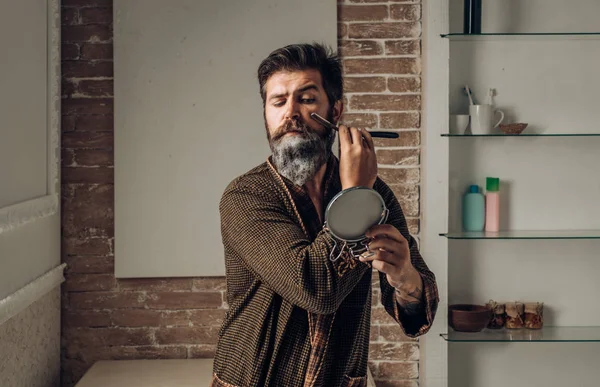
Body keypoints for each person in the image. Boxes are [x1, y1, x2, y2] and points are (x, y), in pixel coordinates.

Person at [211, 43, 438, 387]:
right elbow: (314, 289)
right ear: (266, 114)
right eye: (278, 101)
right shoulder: (246, 196)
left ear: (335, 112)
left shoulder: (377, 194)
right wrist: (355, 196)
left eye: (306, 99)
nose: (290, 112)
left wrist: (406, 278)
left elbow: (416, 317)